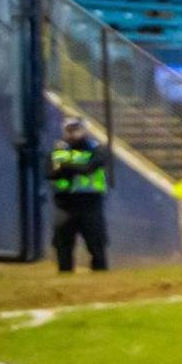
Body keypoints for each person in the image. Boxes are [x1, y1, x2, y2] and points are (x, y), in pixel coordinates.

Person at [49, 117, 110, 273]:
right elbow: (52, 173)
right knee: (63, 244)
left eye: (76, 129)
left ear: (84, 130)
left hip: (90, 203)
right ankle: (65, 274)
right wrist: (77, 166)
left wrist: (66, 165)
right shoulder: (59, 148)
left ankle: (100, 273)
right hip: (65, 204)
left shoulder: (96, 148)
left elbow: (89, 167)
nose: (73, 133)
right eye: (69, 129)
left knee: (96, 243)